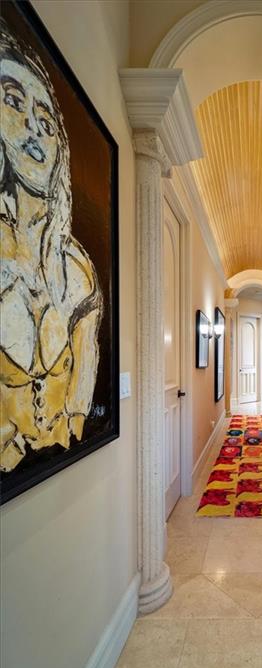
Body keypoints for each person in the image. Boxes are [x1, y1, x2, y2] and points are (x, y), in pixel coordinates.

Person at [0, 27, 102, 472]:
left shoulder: (78, 272)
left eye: (45, 120)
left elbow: (80, 412)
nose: (32, 130)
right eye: (13, 102)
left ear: (60, 145)